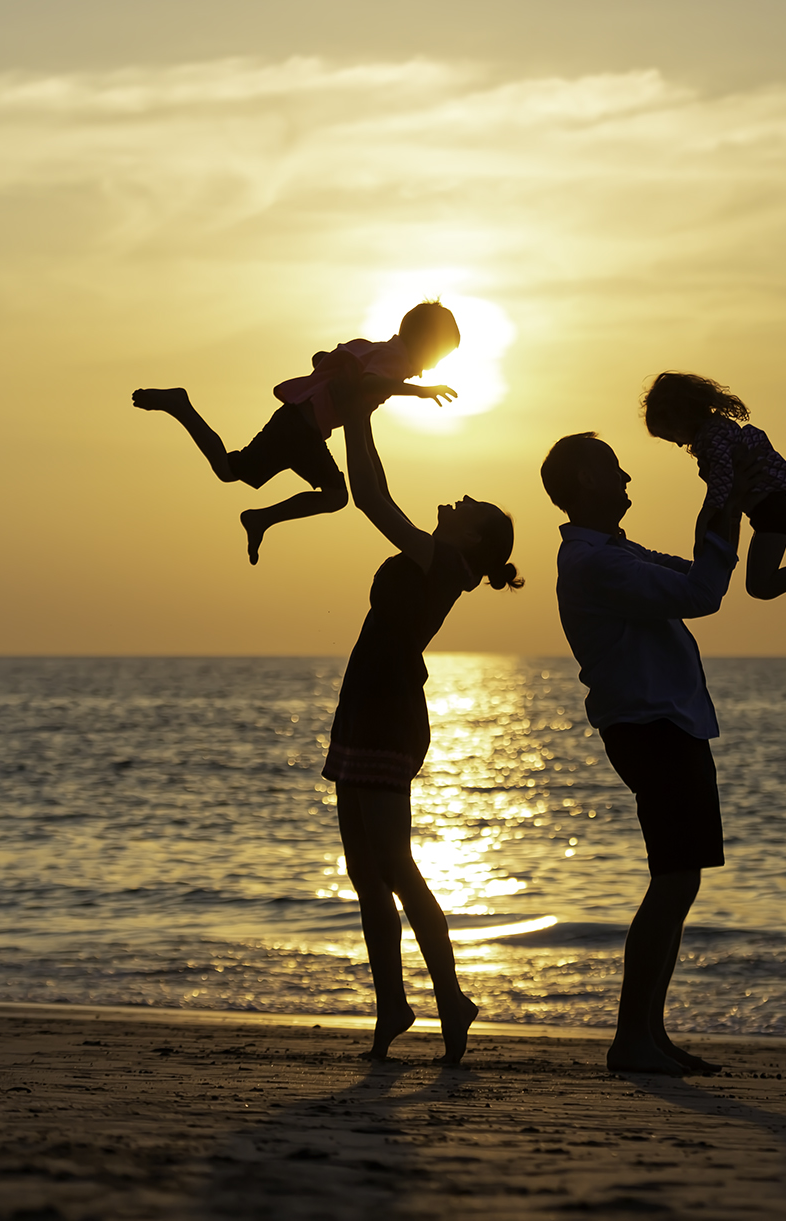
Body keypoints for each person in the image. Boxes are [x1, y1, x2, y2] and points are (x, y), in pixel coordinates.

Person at [325, 379, 523, 1063]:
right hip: (364, 707)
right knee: (364, 871)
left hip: (386, 715)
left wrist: (357, 416)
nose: (460, 497)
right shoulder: (440, 559)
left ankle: (450, 996)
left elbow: (372, 498)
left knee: (396, 866)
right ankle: (393, 1005)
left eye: (473, 505)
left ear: (475, 538)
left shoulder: (443, 560)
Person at [541, 430, 736, 1076]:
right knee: (675, 878)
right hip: (651, 725)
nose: (627, 479)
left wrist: (723, 508)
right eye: (614, 469)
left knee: (680, 880)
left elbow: (695, 575)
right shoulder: (597, 563)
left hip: (665, 722)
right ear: (587, 482)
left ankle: (648, 1033)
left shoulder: (613, 553)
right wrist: (725, 503)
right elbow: (702, 593)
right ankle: (632, 1037)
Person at [131, 302, 461, 564]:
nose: (432, 366)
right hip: (299, 428)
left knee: (309, 490)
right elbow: (368, 384)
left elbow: (325, 358)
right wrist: (421, 391)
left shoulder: (376, 349)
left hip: (305, 428)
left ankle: (260, 519)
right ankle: (181, 406)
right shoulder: (395, 361)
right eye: (437, 355)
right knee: (235, 471)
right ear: (423, 342)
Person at [641, 371, 786, 601]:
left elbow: (723, 479)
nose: (679, 443)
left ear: (680, 418)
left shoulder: (713, 436)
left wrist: (706, 515)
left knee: (761, 586)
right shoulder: (718, 431)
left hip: (773, 513)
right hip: (770, 513)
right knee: (759, 585)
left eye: (672, 435)